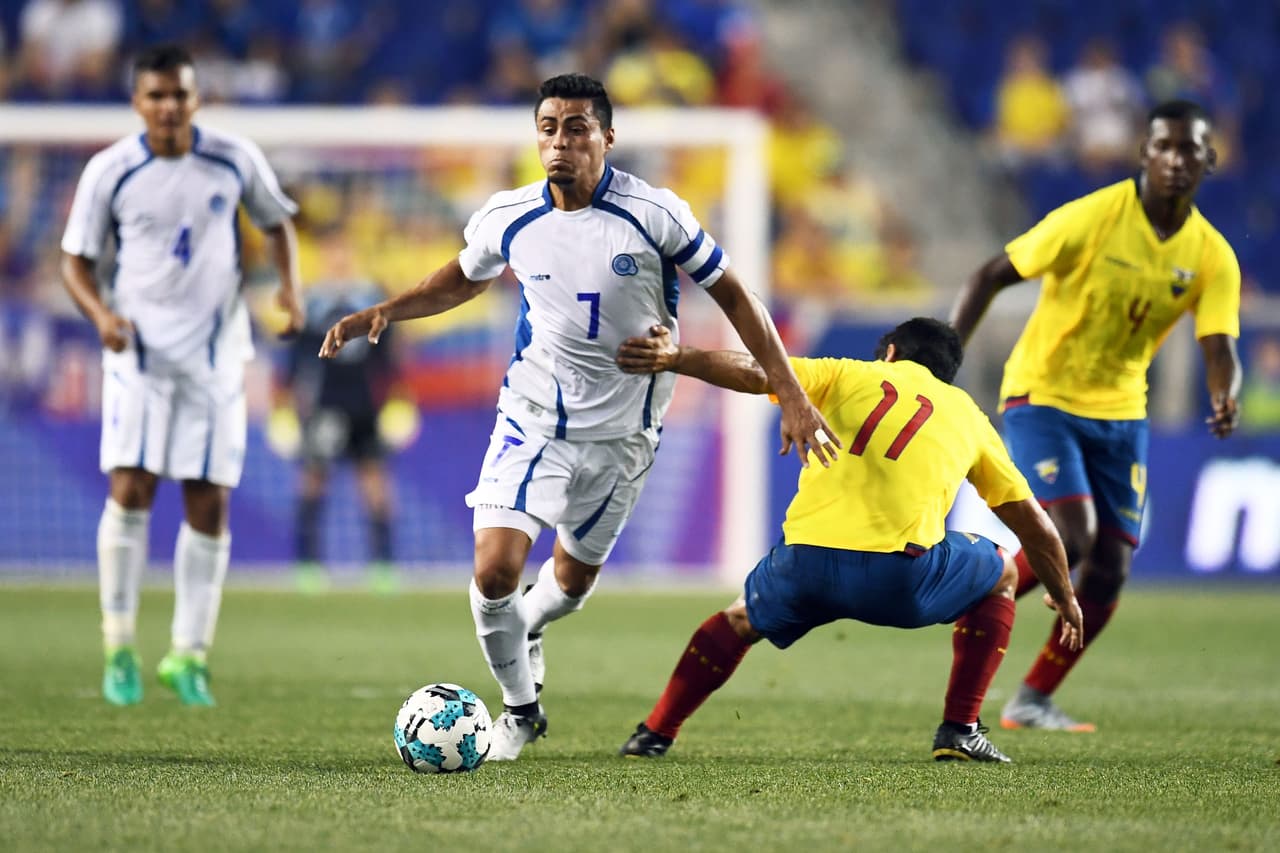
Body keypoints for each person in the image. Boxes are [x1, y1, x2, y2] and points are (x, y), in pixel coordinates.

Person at [319, 73, 835, 761]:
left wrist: (792, 394)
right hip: (532, 419)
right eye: (548, 128)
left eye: (576, 128)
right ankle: (519, 709)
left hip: (623, 436)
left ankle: (531, 624)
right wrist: (388, 309)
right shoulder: (510, 215)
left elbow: (737, 297)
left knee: (568, 585)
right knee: (494, 571)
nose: (560, 141)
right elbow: (464, 277)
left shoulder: (655, 213)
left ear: (607, 137)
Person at [613, 318, 1084, 762]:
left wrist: (677, 357)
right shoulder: (968, 416)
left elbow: (756, 371)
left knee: (737, 619)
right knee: (1002, 570)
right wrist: (1064, 596)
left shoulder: (845, 374)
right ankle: (960, 729)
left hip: (805, 566)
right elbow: (1034, 525)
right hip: (900, 580)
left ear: (891, 353)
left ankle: (654, 733)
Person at [949, 100, 1241, 731]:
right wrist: (944, 356)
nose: (1175, 159)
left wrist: (1225, 393)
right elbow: (991, 274)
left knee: (1111, 568)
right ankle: (978, 595)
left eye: (1189, 149)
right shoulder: (1092, 217)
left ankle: (1031, 699)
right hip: (1043, 395)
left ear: (1208, 161)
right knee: (1073, 536)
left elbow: (1219, 346)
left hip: (1122, 413)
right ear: (1144, 153)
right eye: (1163, 146)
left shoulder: (1212, 255)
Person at [59, 44, 303, 706]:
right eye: (157, 95)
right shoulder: (111, 170)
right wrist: (101, 316)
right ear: (137, 102)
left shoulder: (233, 157)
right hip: (138, 351)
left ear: (197, 99)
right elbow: (74, 260)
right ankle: (118, 646)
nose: (169, 106)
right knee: (131, 487)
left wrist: (289, 289)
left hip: (217, 354)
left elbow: (278, 222)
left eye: (180, 95)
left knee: (209, 500)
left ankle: (189, 654)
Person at [280, 269, 400, 594]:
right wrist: (288, 404)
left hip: (364, 406)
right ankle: (307, 564)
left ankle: (383, 565)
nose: (339, 261)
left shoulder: (372, 300)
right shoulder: (313, 305)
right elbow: (296, 358)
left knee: (375, 485)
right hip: (326, 406)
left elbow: (389, 357)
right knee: (313, 482)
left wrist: (397, 399)